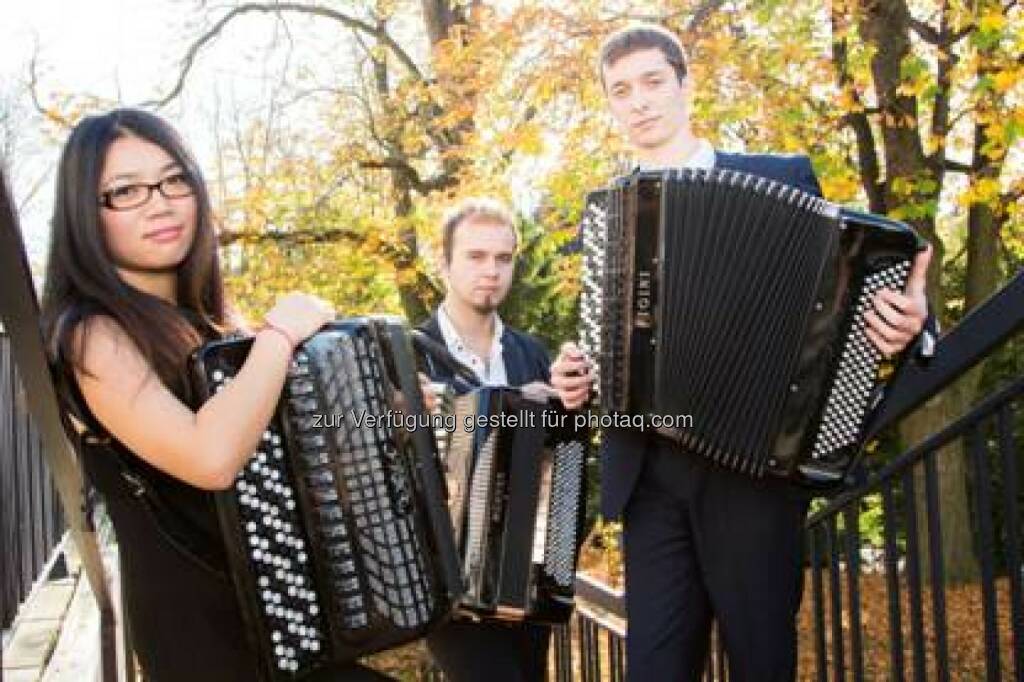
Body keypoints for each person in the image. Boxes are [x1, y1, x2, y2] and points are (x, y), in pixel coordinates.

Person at [549, 25, 935, 681]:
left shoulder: (780, 177)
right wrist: (576, 376)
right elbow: (606, 349)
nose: (637, 101)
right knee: (654, 669)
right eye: (620, 91)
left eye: (651, 82)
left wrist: (906, 326)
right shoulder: (608, 214)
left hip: (754, 472)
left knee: (762, 662)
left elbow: (839, 305)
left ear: (685, 85)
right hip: (650, 477)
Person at [41, 108, 393, 682]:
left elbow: (286, 463)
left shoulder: (208, 328)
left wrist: (385, 416)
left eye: (174, 179)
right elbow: (210, 457)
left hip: (283, 625)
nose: (160, 202)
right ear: (87, 213)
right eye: (125, 191)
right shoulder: (90, 333)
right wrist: (280, 333)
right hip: (205, 645)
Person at [417, 198, 552, 681]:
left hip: (525, 576)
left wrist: (567, 407)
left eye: (503, 258)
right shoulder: (407, 357)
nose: (491, 271)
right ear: (444, 264)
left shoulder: (533, 353)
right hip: (448, 585)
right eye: (475, 256)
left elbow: (557, 466)